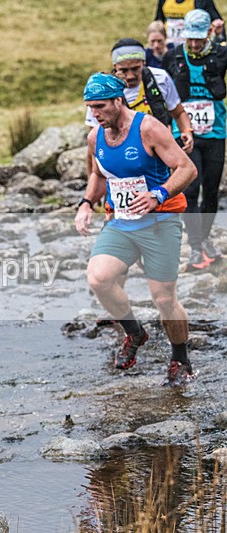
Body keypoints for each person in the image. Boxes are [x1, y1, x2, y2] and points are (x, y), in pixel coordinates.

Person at [75, 73, 197, 387]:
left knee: (164, 299)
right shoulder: (95, 136)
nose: (95, 114)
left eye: (100, 106)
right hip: (122, 223)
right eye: (90, 108)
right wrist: (87, 203)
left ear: (119, 100)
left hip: (160, 222)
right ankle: (135, 333)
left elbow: (187, 168)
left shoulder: (149, 129)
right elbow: (100, 175)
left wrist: (159, 193)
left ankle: (180, 357)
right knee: (99, 278)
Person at [162, 9, 227, 269]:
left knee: (211, 190)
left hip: (215, 131)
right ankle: (195, 246)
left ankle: (205, 239)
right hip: (183, 134)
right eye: (190, 39)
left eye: (199, 39)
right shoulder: (173, 56)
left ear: (208, 34)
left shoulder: (221, 54)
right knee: (190, 188)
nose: (194, 44)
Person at [85, 38, 194, 155]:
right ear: (115, 66)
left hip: (158, 151)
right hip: (122, 153)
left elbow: (178, 112)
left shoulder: (160, 78)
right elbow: (94, 138)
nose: (130, 76)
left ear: (144, 62)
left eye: (136, 68)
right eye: (123, 70)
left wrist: (187, 130)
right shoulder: (102, 89)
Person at [156, 0, 224, 47]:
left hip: (193, 45)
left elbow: (218, 23)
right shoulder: (164, 1)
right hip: (168, 45)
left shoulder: (202, 1)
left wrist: (221, 40)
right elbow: (158, 22)